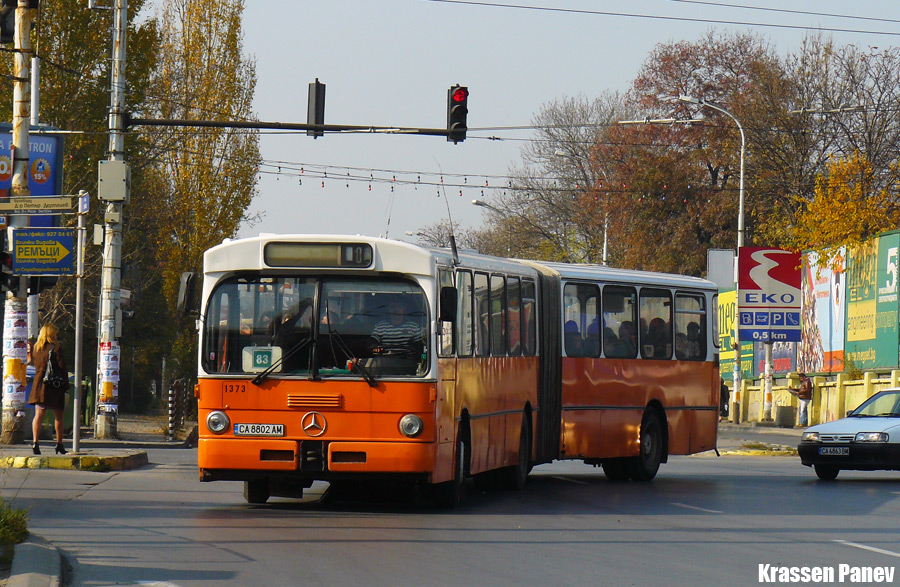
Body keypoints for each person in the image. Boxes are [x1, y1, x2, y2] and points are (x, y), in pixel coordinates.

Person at [29, 324, 70, 455]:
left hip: (39, 385)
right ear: (52, 334)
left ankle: (35, 443)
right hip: (54, 386)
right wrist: (66, 384)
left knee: (39, 415)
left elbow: (33, 362)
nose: (57, 335)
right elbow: (62, 366)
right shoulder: (56, 347)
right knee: (58, 416)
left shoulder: (36, 347)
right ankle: (59, 444)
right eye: (55, 333)